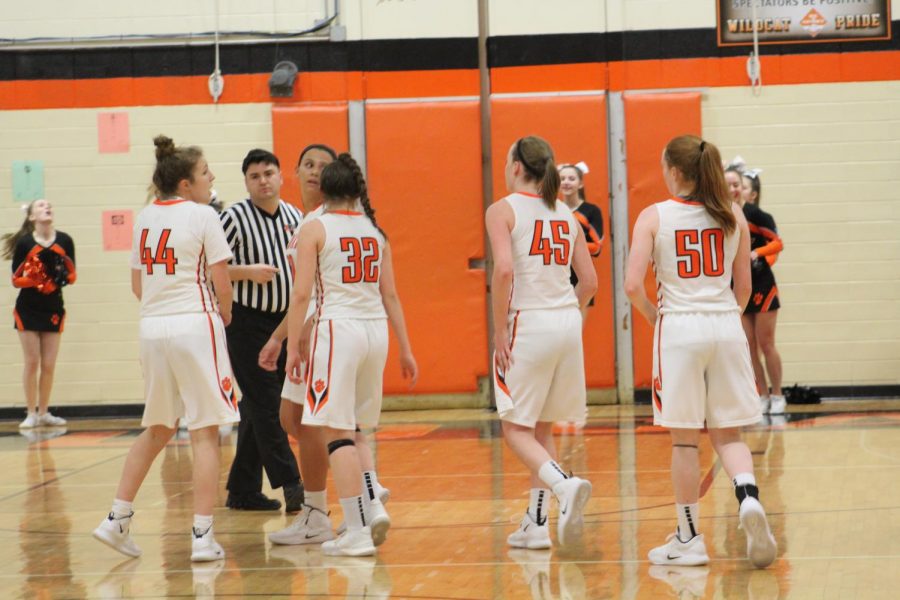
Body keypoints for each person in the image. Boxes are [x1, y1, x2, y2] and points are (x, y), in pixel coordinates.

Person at [624, 134, 776, 568]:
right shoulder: (732, 215)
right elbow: (744, 288)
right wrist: (725, 320)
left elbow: (633, 285)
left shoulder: (653, 215)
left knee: (685, 441)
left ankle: (688, 538)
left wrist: (656, 317)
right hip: (726, 324)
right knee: (729, 434)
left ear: (674, 171)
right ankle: (747, 496)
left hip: (680, 330)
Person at [93, 135, 239, 562]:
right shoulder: (203, 215)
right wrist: (224, 315)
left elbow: (138, 285)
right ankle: (202, 536)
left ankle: (116, 518)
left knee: (157, 426)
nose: (212, 177)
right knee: (206, 430)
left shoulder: (143, 218)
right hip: (196, 323)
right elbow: (222, 281)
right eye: (205, 171)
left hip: (152, 328)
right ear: (185, 182)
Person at [284, 152, 418, 556]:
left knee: (336, 433)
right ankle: (369, 506)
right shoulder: (376, 232)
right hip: (375, 331)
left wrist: (293, 345)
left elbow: (303, 294)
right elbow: (391, 295)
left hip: (337, 330)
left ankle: (357, 530)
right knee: (356, 429)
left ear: (325, 189)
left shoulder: (316, 228)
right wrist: (407, 350)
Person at [261, 145, 391, 547]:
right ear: (295, 172)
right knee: (300, 421)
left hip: (326, 335)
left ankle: (356, 506)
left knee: (331, 426)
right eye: (309, 165)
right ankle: (346, 505)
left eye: (323, 165)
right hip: (341, 331)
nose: (315, 172)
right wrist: (280, 336)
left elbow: (307, 297)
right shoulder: (320, 220)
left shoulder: (324, 223)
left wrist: (287, 340)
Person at [486, 136, 596, 550]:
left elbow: (504, 271)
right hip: (567, 319)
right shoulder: (566, 212)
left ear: (516, 166)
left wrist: (500, 331)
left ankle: (564, 485)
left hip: (527, 322)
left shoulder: (502, 210)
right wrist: (567, 312)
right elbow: (589, 282)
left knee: (514, 428)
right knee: (541, 425)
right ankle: (536, 523)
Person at [220, 149, 304, 512]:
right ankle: (293, 484)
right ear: (246, 182)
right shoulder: (234, 218)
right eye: (255, 176)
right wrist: (246, 272)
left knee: (258, 407)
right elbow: (212, 269)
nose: (263, 180)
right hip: (247, 322)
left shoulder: (294, 216)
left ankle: (242, 489)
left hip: (284, 323)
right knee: (268, 405)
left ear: (281, 176)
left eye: (268, 173)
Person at [4, 199, 75, 429]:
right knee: (32, 362)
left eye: (49, 205)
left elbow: (72, 276)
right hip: (28, 309)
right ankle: (31, 413)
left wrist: (58, 278)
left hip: (53, 308)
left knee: (49, 365)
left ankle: (44, 412)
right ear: (32, 216)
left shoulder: (64, 241)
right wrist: (37, 279)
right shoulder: (25, 243)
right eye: (41, 205)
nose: (47, 207)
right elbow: (16, 280)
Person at [740, 170, 786, 415]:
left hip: (763, 284)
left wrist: (758, 254)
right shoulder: (728, 215)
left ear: (753, 194)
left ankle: (778, 394)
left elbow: (778, 243)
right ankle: (762, 395)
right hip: (741, 286)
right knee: (749, 346)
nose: (737, 190)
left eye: (743, 186)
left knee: (766, 343)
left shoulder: (756, 214)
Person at [558, 163, 604, 325]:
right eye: (562, 178)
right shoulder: (553, 210)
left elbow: (597, 247)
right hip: (556, 277)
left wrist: (570, 248)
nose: (566, 182)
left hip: (581, 277)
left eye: (571, 178)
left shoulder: (591, 211)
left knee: (574, 331)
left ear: (581, 183)